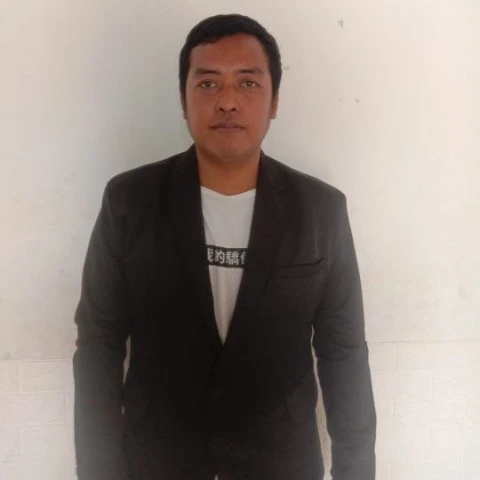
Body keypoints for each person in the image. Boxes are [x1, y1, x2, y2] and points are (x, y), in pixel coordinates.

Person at [73, 13, 376, 480]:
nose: (228, 101)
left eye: (248, 83)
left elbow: (344, 353)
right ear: (183, 99)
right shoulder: (129, 202)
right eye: (208, 83)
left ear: (275, 100)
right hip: (158, 463)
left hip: (280, 465)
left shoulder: (321, 211)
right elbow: (98, 345)